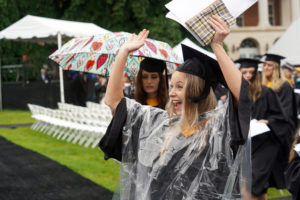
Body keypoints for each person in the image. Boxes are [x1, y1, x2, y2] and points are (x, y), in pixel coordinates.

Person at [99, 16, 251, 199]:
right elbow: (114, 101)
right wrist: (123, 52)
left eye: (180, 87)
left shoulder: (219, 131)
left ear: (199, 90)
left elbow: (242, 96)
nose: (171, 93)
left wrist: (217, 46)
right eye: (172, 86)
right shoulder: (158, 124)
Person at [236, 58, 288, 200]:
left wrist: (268, 121)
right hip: (249, 145)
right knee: (257, 186)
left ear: (256, 74)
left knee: (251, 181)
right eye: (244, 72)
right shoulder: (239, 95)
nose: (247, 75)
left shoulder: (267, 93)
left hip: (267, 144)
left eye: (251, 72)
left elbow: (282, 119)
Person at [261, 53, 298, 191]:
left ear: (276, 68)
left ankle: (280, 185)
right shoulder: (261, 85)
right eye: (264, 64)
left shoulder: (284, 86)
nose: (266, 67)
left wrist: (269, 121)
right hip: (262, 129)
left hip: (279, 130)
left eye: (269, 65)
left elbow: (286, 113)